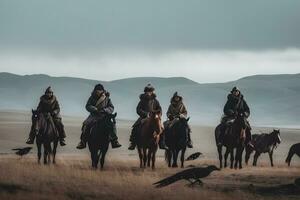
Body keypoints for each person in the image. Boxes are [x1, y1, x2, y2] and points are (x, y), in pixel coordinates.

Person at [76, 84, 121, 149]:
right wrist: (95, 109)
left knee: (112, 125)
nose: (98, 92)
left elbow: (111, 107)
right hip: (94, 115)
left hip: (104, 115)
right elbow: (88, 106)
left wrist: (104, 110)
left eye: (100, 90)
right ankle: (83, 142)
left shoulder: (107, 98)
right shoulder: (91, 97)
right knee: (86, 125)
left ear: (102, 90)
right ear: (95, 91)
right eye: (97, 90)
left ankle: (114, 140)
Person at [128, 84, 162, 150]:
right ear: (145, 92)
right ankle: (133, 143)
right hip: (144, 117)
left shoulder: (156, 101)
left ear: (152, 92)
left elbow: (159, 109)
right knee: (135, 127)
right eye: (147, 91)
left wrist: (157, 115)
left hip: (154, 118)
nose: (149, 92)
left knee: (161, 128)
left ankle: (162, 143)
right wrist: (146, 114)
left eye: (150, 91)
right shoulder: (142, 100)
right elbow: (138, 109)